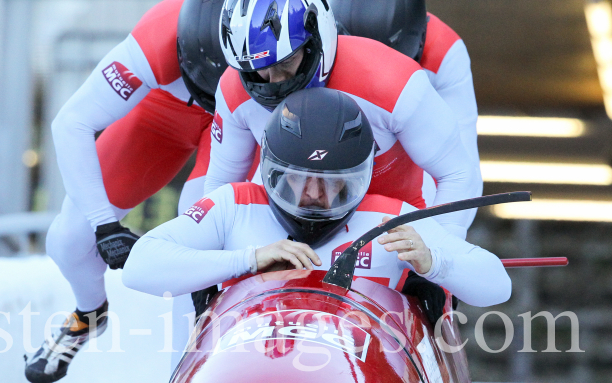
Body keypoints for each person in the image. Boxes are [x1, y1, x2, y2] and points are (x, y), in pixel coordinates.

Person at [122, 88, 510, 383]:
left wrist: (434, 261)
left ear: (361, 176)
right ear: (273, 170)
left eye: (333, 184)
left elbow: (496, 285)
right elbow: (140, 265)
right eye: (299, 179)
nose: (313, 196)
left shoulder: (391, 220)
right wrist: (247, 260)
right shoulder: (233, 206)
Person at [25, 0, 228, 383]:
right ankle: (89, 312)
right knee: (68, 240)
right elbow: (71, 122)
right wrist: (104, 226)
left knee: (198, 238)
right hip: (163, 114)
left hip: (238, 113)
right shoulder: (159, 37)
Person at [205, 0, 482, 240]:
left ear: (316, 40)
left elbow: (458, 173)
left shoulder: (392, 82)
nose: (275, 83)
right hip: (286, 227)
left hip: (393, 228)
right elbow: (220, 187)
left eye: (284, 64)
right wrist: (212, 254)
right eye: (260, 70)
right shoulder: (233, 91)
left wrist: (436, 254)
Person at [331, 0, 480, 205]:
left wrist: (438, 234)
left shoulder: (445, 51)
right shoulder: (319, 35)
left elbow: (462, 170)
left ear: (419, 41)